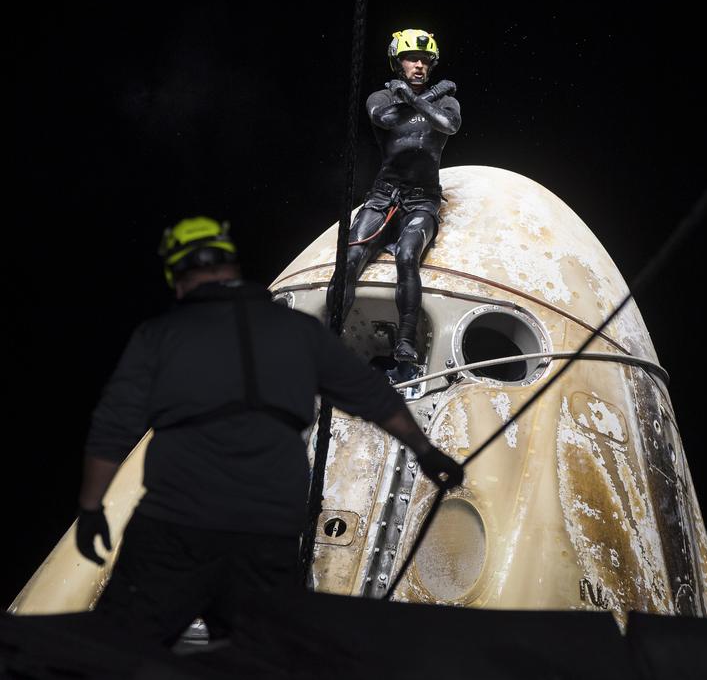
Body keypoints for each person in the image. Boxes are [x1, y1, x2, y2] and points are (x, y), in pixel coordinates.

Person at [74, 216, 462, 647]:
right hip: (267, 533)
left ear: (177, 275)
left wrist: (92, 509)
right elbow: (373, 396)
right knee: (259, 652)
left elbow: (112, 427)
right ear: (230, 265)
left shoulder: (161, 335)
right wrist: (427, 453)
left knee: (116, 645)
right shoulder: (298, 332)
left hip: (177, 525)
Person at [326, 28, 461, 367]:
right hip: (384, 196)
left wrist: (417, 98)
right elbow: (383, 119)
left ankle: (405, 343)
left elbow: (449, 125)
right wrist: (415, 99)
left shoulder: (447, 100)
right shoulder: (381, 98)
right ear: (397, 63)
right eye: (412, 58)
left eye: (425, 60)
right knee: (351, 257)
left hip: (423, 199)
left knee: (407, 256)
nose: (419, 65)